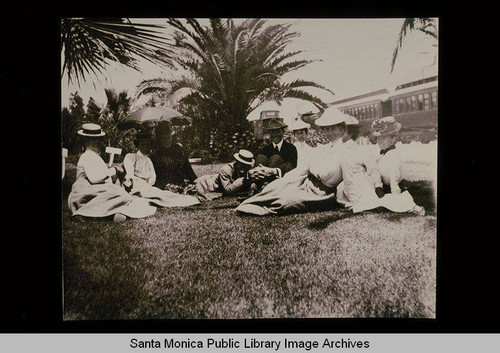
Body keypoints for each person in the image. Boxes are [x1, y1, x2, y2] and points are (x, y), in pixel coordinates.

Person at [236, 106, 348, 216]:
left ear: (342, 129)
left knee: (283, 202)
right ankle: (249, 201)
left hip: (321, 194)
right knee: (275, 188)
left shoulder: (346, 153)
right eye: (326, 129)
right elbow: (302, 169)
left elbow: (351, 179)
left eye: (333, 128)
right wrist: (285, 180)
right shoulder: (322, 149)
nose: (329, 132)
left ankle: (252, 207)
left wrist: (353, 202)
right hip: (305, 182)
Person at [68, 123, 157, 222]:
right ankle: (83, 213)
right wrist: (115, 170)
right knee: (120, 194)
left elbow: (102, 176)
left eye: (98, 139)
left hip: (97, 190)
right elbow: (95, 179)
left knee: (122, 195)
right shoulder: (86, 157)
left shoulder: (95, 156)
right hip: (85, 192)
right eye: (91, 139)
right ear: (84, 141)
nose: (96, 142)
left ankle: (112, 213)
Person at [121, 131, 200, 208]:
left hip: (150, 187)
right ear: (138, 145)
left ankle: (189, 199)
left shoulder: (150, 158)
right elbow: (129, 175)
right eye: (143, 144)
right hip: (137, 187)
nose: (146, 147)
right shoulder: (132, 157)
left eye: (148, 144)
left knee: (167, 196)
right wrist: (130, 187)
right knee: (164, 197)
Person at [371, 116, 426, 215]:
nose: (380, 141)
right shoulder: (382, 155)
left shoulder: (393, 155)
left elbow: (394, 177)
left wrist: (395, 195)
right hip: (384, 187)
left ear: (393, 139)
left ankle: (408, 206)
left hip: (394, 187)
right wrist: (378, 186)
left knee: (394, 202)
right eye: (378, 139)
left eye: (383, 138)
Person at [150, 121, 202, 198]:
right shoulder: (154, 152)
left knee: (197, 188)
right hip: (164, 184)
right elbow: (154, 176)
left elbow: (187, 168)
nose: (167, 140)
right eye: (164, 138)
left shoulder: (178, 149)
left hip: (180, 183)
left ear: (171, 135)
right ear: (159, 138)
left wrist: (195, 181)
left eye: (168, 136)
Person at [247, 118, 298, 191]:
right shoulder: (265, 149)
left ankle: (266, 185)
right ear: (269, 133)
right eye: (272, 132)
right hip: (261, 179)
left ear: (283, 132)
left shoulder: (291, 148)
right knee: (260, 158)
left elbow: (291, 166)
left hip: (282, 181)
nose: (275, 135)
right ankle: (254, 186)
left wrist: (273, 171)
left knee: (276, 158)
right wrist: (256, 171)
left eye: (278, 132)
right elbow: (258, 164)